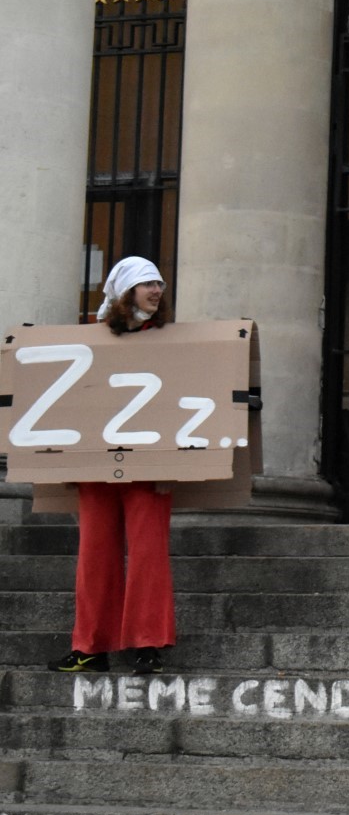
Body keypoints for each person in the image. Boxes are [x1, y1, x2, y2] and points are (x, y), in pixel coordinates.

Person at [49, 257, 176, 675]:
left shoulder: (174, 341)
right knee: (95, 554)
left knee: (148, 554)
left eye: (159, 283)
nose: (157, 291)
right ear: (125, 292)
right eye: (147, 284)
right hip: (96, 463)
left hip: (150, 463)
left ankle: (148, 644)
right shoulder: (91, 340)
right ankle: (90, 646)